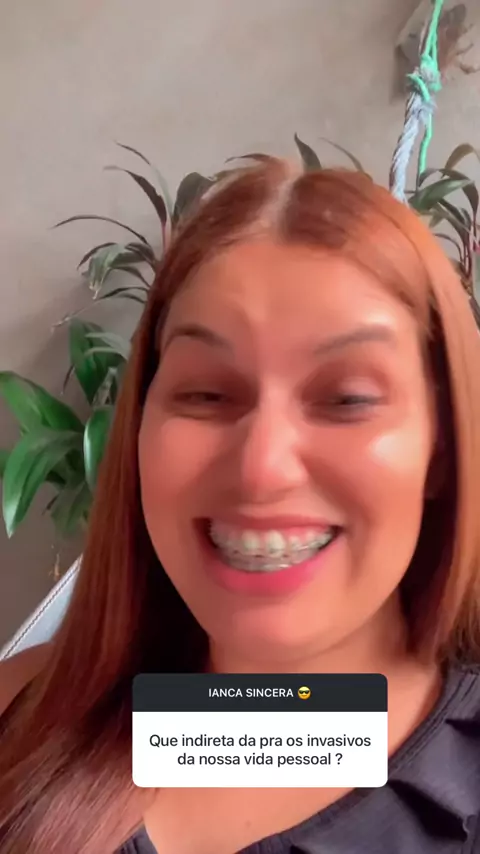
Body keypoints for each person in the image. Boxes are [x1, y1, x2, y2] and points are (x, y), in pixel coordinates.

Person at [0, 158, 479, 854]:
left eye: (347, 399)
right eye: (206, 394)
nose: (262, 469)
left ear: (442, 447)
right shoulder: (24, 711)